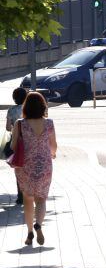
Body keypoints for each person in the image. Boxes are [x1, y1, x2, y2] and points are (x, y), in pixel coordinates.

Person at [10, 91, 57, 246]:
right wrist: (52, 154)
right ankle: (39, 225)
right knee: (41, 199)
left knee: (28, 199)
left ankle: (30, 232)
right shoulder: (49, 123)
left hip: (25, 166)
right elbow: (53, 146)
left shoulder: (20, 124)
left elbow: (13, 146)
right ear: (43, 106)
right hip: (44, 165)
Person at [5, 87, 28, 205]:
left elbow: (8, 128)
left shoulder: (11, 110)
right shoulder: (28, 109)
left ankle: (20, 196)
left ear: (14, 98)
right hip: (29, 142)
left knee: (18, 168)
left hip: (16, 142)